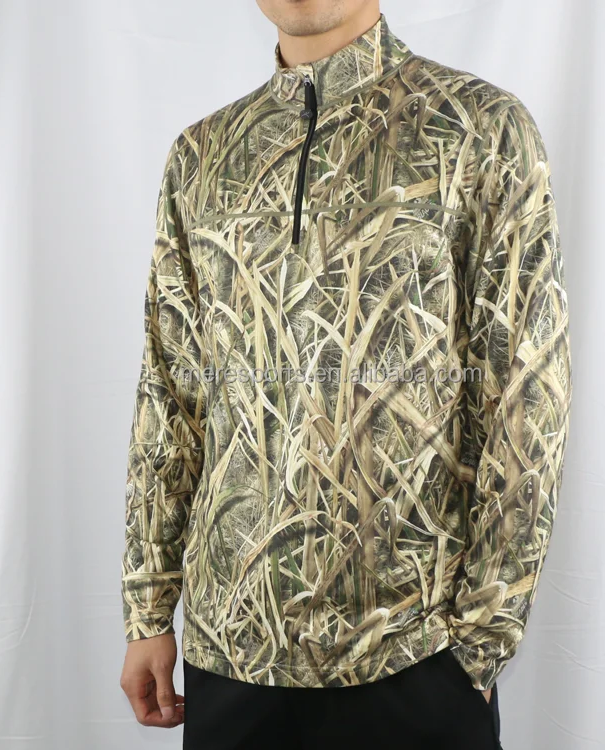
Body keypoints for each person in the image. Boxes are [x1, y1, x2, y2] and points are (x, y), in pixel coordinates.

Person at [118, 1, 572, 747]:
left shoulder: (481, 131)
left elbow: (528, 397)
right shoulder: (200, 159)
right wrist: (148, 608)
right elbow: (172, 395)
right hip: (231, 652)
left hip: (416, 655)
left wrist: (481, 640)